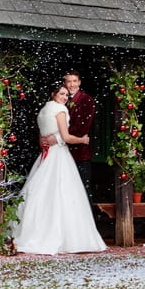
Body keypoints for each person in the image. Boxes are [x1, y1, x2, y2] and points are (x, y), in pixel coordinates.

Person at [11, 84, 107, 255]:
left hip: (46, 155)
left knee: (41, 191)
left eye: (66, 95)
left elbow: (43, 136)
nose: (64, 97)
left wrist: (48, 139)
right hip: (58, 156)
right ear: (53, 94)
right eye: (61, 94)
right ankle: (66, 238)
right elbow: (66, 137)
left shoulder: (43, 111)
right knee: (63, 192)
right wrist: (83, 140)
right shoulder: (60, 111)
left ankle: (33, 232)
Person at [42, 70, 96, 202]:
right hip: (60, 154)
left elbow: (82, 128)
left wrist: (58, 137)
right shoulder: (61, 101)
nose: (71, 85)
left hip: (79, 154)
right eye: (68, 81)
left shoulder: (86, 100)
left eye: (74, 81)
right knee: (63, 192)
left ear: (79, 83)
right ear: (64, 83)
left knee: (82, 191)